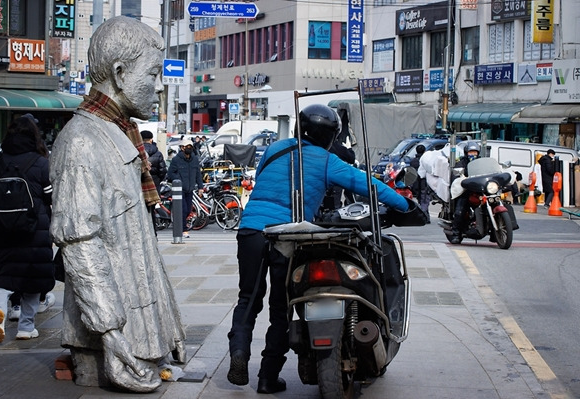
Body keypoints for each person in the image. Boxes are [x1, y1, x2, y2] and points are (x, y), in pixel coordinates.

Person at [226, 104, 412, 394]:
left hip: (250, 230)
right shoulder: (327, 161)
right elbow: (369, 185)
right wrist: (406, 206)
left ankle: (238, 353)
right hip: (286, 235)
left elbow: (263, 180)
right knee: (281, 310)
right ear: (331, 137)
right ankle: (266, 377)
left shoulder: (274, 150)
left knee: (248, 298)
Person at [48, 16, 185, 393]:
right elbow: (79, 242)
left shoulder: (116, 132)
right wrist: (110, 332)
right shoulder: (83, 142)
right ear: (121, 73)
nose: (158, 88)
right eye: (153, 74)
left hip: (135, 334)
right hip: (114, 340)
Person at [0, 115, 55, 343]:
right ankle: (26, 326)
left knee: (3, 275)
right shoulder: (41, 162)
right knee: (33, 278)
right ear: (34, 136)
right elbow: (52, 195)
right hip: (35, 230)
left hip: (3, 230)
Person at [166, 138, 204, 238]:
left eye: (190, 147)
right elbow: (170, 173)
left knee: (187, 210)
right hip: (180, 189)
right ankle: (183, 229)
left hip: (190, 188)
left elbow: (198, 174)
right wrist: (178, 179)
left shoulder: (194, 159)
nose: (189, 148)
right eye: (187, 146)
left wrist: (200, 187)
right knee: (183, 209)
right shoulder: (176, 159)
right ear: (182, 148)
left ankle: (181, 226)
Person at [451, 141, 481, 243]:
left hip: (480, 190)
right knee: (460, 211)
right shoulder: (462, 162)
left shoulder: (481, 162)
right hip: (466, 191)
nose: (473, 154)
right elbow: (455, 175)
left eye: (475, 152)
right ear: (466, 152)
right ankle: (456, 234)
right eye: (471, 152)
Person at [410, 144, 431, 223]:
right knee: (425, 199)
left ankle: (425, 216)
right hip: (423, 183)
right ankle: (424, 216)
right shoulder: (426, 161)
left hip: (415, 183)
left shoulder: (413, 161)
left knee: (421, 199)